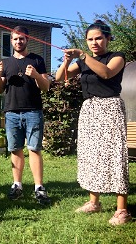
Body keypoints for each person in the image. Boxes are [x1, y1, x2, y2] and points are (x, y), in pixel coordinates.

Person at [55, 20, 131, 225]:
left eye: (98, 38)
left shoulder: (117, 57)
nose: (94, 42)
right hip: (89, 110)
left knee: (114, 156)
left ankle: (122, 210)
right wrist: (66, 61)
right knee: (90, 155)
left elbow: (106, 73)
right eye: (90, 39)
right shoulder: (83, 62)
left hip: (110, 108)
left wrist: (82, 56)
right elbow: (60, 78)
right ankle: (94, 202)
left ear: (108, 38)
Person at [0, 26, 51, 205]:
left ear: (27, 39)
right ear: (11, 41)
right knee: (15, 149)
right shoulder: (6, 63)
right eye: (15, 39)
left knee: (34, 149)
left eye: (21, 39)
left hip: (33, 110)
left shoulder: (37, 60)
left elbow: (45, 87)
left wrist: (35, 74)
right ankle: (17, 185)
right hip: (11, 112)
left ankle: (39, 188)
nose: (18, 42)